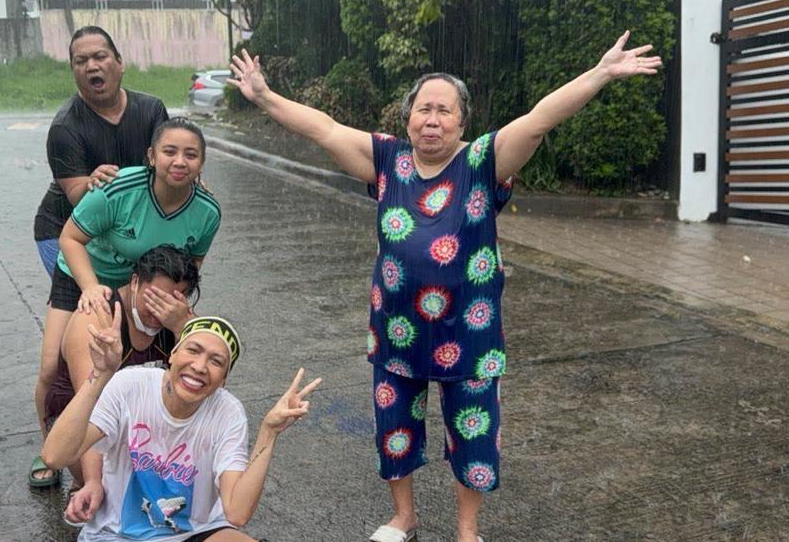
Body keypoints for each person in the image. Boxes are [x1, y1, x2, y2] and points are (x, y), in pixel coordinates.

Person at [228, 31, 662, 542]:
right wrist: (263, 95)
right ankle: (404, 517)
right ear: (408, 116)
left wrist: (601, 73)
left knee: (472, 435)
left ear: (462, 121)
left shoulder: (484, 161)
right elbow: (323, 129)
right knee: (395, 430)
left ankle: (466, 530)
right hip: (398, 331)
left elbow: (542, 118)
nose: (432, 120)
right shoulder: (388, 160)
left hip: (469, 334)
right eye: (423, 109)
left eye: (444, 111)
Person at [31, 116, 221, 488]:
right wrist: (90, 288)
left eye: (190, 154)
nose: (179, 161)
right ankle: (50, 447)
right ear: (151, 156)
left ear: (202, 163)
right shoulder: (120, 188)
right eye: (169, 152)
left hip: (150, 282)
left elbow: (189, 271)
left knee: (167, 355)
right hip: (86, 272)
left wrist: (182, 319)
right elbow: (71, 239)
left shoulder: (207, 212)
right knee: (54, 364)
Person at [30, 24, 169, 487]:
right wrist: (89, 182)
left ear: (119, 62)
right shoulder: (66, 128)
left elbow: (170, 164)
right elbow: (74, 198)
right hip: (72, 240)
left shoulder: (150, 110)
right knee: (56, 362)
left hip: (130, 240)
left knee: (129, 340)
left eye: (100, 56)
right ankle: (51, 443)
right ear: (73, 71)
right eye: (80, 60)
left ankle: (123, 430)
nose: (92, 66)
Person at [41, 313, 322, 541]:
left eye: (216, 362)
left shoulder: (228, 412)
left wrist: (269, 433)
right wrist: (100, 376)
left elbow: (236, 513)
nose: (200, 366)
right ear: (173, 354)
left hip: (193, 533)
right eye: (193, 350)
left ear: (223, 380)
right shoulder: (130, 385)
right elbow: (55, 456)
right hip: (117, 535)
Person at [44, 245, 201, 493]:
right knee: (113, 488)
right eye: (154, 297)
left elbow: (210, 390)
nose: (161, 310)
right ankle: (85, 482)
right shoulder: (96, 319)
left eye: (172, 300)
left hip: (143, 426)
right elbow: (91, 409)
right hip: (86, 427)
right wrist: (94, 481)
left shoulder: (179, 322)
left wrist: (185, 330)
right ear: (135, 281)